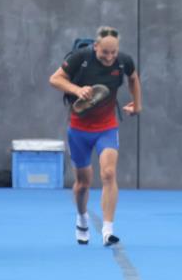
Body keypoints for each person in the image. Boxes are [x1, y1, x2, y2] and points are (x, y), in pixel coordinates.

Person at [49, 26, 141, 246]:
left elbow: (133, 78)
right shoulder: (80, 58)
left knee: (109, 173)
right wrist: (76, 90)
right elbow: (55, 79)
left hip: (107, 127)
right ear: (96, 46)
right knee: (83, 182)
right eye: (104, 52)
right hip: (79, 129)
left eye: (113, 52)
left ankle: (108, 230)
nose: (109, 57)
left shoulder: (123, 61)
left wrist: (137, 105)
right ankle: (81, 219)